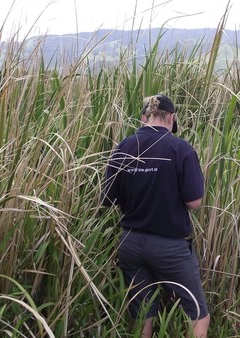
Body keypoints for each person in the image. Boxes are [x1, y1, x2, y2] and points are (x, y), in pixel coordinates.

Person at [102, 94, 210, 338]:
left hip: (130, 242)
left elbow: (108, 200)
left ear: (143, 118)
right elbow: (194, 202)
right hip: (170, 248)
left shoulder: (124, 146)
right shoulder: (180, 148)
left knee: (143, 314)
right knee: (198, 313)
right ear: (171, 119)